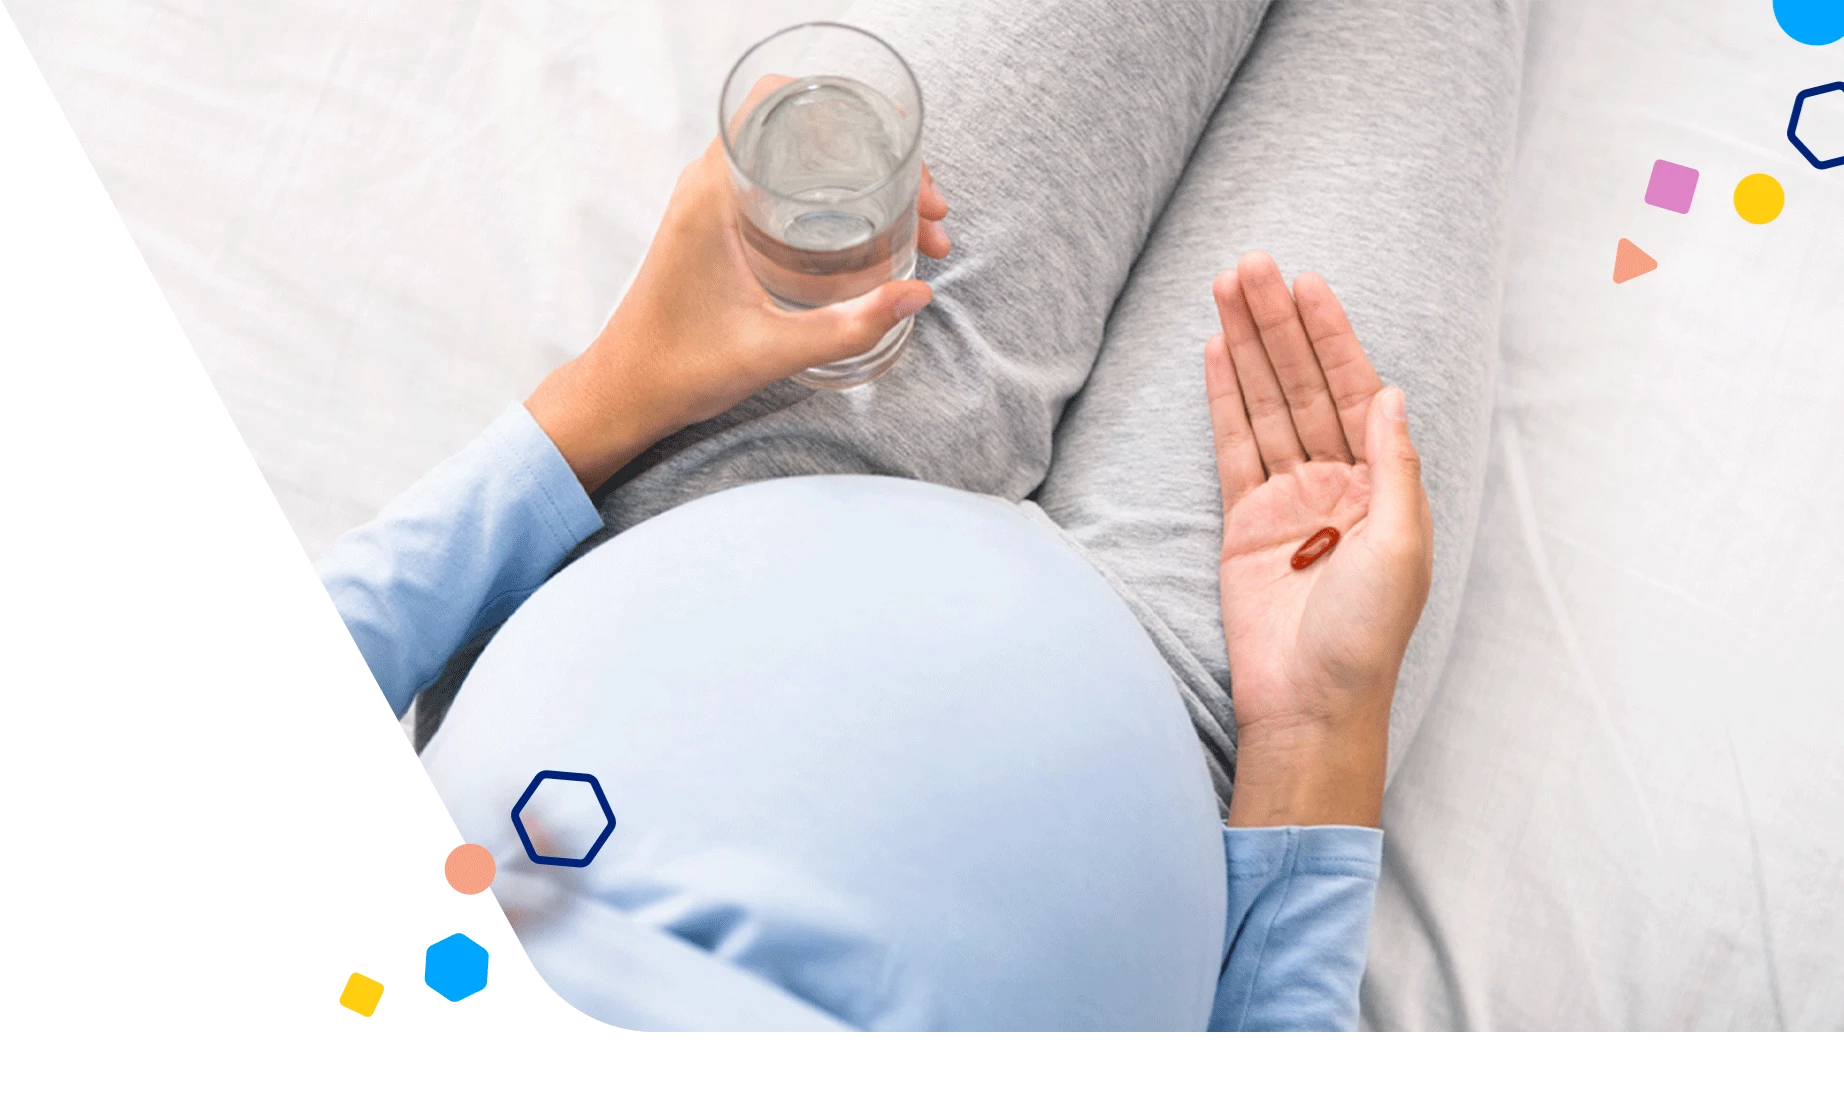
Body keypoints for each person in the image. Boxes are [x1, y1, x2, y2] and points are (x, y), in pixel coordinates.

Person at [323, 0, 1524, 1029]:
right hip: (1226, 698)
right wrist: (1317, 731)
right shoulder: (1279, 710)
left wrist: (614, 388)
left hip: (748, 463)